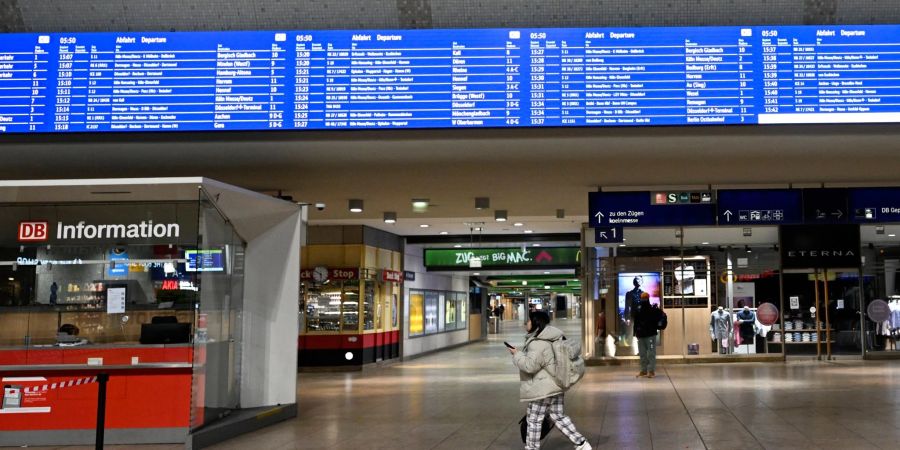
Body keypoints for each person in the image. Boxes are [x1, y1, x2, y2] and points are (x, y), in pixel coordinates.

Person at [508, 311, 591, 450]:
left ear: (536, 322)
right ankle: (581, 443)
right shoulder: (554, 336)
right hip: (556, 385)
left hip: (543, 388)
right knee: (558, 416)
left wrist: (517, 354)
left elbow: (529, 366)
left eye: (528, 320)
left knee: (534, 419)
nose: (526, 323)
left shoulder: (538, 343)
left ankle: (531, 448)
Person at [633, 292, 663, 378]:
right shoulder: (640, 309)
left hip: (649, 335)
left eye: (645, 297)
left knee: (650, 353)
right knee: (643, 353)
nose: (644, 299)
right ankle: (644, 370)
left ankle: (651, 371)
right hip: (643, 335)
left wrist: (635, 332)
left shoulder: (652, 309)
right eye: (643, 297)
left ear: (648, 298)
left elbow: (658, 319)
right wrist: (635, 333)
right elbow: (636, 322)